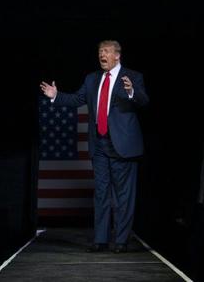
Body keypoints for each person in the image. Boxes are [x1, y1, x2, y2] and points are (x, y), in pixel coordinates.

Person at [40, 41, 149, 253]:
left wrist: (131, 92)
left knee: (123, 196)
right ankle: (100, 239)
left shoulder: (133, 77)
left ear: (117, 55)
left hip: (123, 145)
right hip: (99, 144)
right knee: (100, 193)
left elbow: (143, 101)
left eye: (106, 51)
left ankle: (121, 240)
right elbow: (77, 99)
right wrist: (56, 96)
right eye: (100, 51)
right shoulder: (92, 79)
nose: (102, 55)